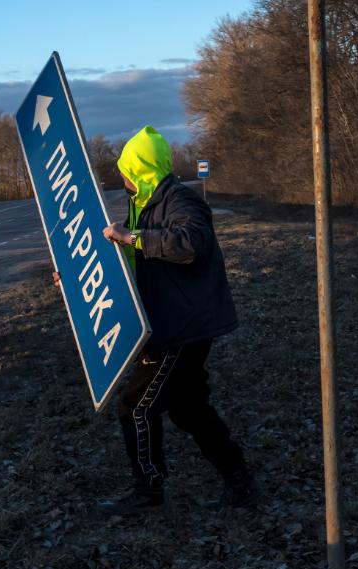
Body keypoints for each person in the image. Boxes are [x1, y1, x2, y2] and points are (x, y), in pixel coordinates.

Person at [52, 125, 255, 515]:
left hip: (180, 326)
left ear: (141, 168)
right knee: (188, 407)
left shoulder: (180, 200)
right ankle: (239, 479)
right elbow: (128, 263)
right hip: (171, 321)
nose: (122, 177)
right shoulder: (144, 206)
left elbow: (191, 244)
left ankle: (148, 492)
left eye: (126, 168)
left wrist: (134, 238)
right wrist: (76, 279)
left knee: (136, 406)